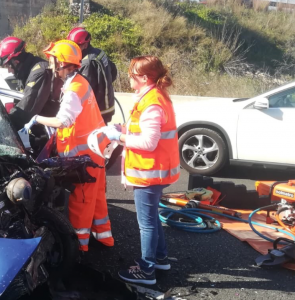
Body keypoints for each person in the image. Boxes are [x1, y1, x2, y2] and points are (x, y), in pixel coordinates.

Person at [23, 40, 113, 252]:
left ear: (62, 63)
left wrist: (37, 118)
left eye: (53, 61)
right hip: (94, 152)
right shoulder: (80, 82)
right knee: (96, 197)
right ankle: (104, 237)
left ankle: (79, 246)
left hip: (83, 157)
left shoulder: (74, 89)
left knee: (80, 201)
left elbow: (64, 121)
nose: (51, 65)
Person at [97, 55, 180, 285]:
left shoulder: (152, 103)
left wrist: (119, 137)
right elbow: (144, 129)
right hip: (157, 171)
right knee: (152, 218)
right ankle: (160, 258)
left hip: (149, 173)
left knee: (146, 224)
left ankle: (146, 270)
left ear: (143, 78)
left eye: (132, 75)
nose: (129, 78)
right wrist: (121, 127)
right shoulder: (154, 96)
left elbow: (148, 142)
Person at [0, 37, 62, 154]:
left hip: (54, 136)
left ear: (16, 61)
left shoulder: (40, 72)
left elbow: (26, 109)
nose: (9, 71)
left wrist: (3, 127)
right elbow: (19, 103)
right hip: (41, 133)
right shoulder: (25, 73)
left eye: (8, 66)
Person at [66, 27, 118, 125]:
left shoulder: (87, 62)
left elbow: (83, 90)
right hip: (107, 106)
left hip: (98, 110)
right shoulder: (99, 53)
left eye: (77, 46)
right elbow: (113, 71)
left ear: (85, 44)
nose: (73, 49)